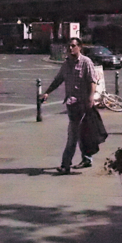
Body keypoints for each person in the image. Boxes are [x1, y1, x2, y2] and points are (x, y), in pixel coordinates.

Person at [39, 37, 99, 175]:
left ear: (79, 47)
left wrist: (90, 98)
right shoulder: (66, 63)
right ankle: (87, 159)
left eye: (73, 46)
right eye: (69, 46)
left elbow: (92, 81)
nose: (70, 48)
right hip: (71, 104)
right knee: (80, 133)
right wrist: (47, 92)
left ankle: (65, 165)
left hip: (83, 104)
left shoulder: (86, 62)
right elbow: (58, 79)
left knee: (73, 135)